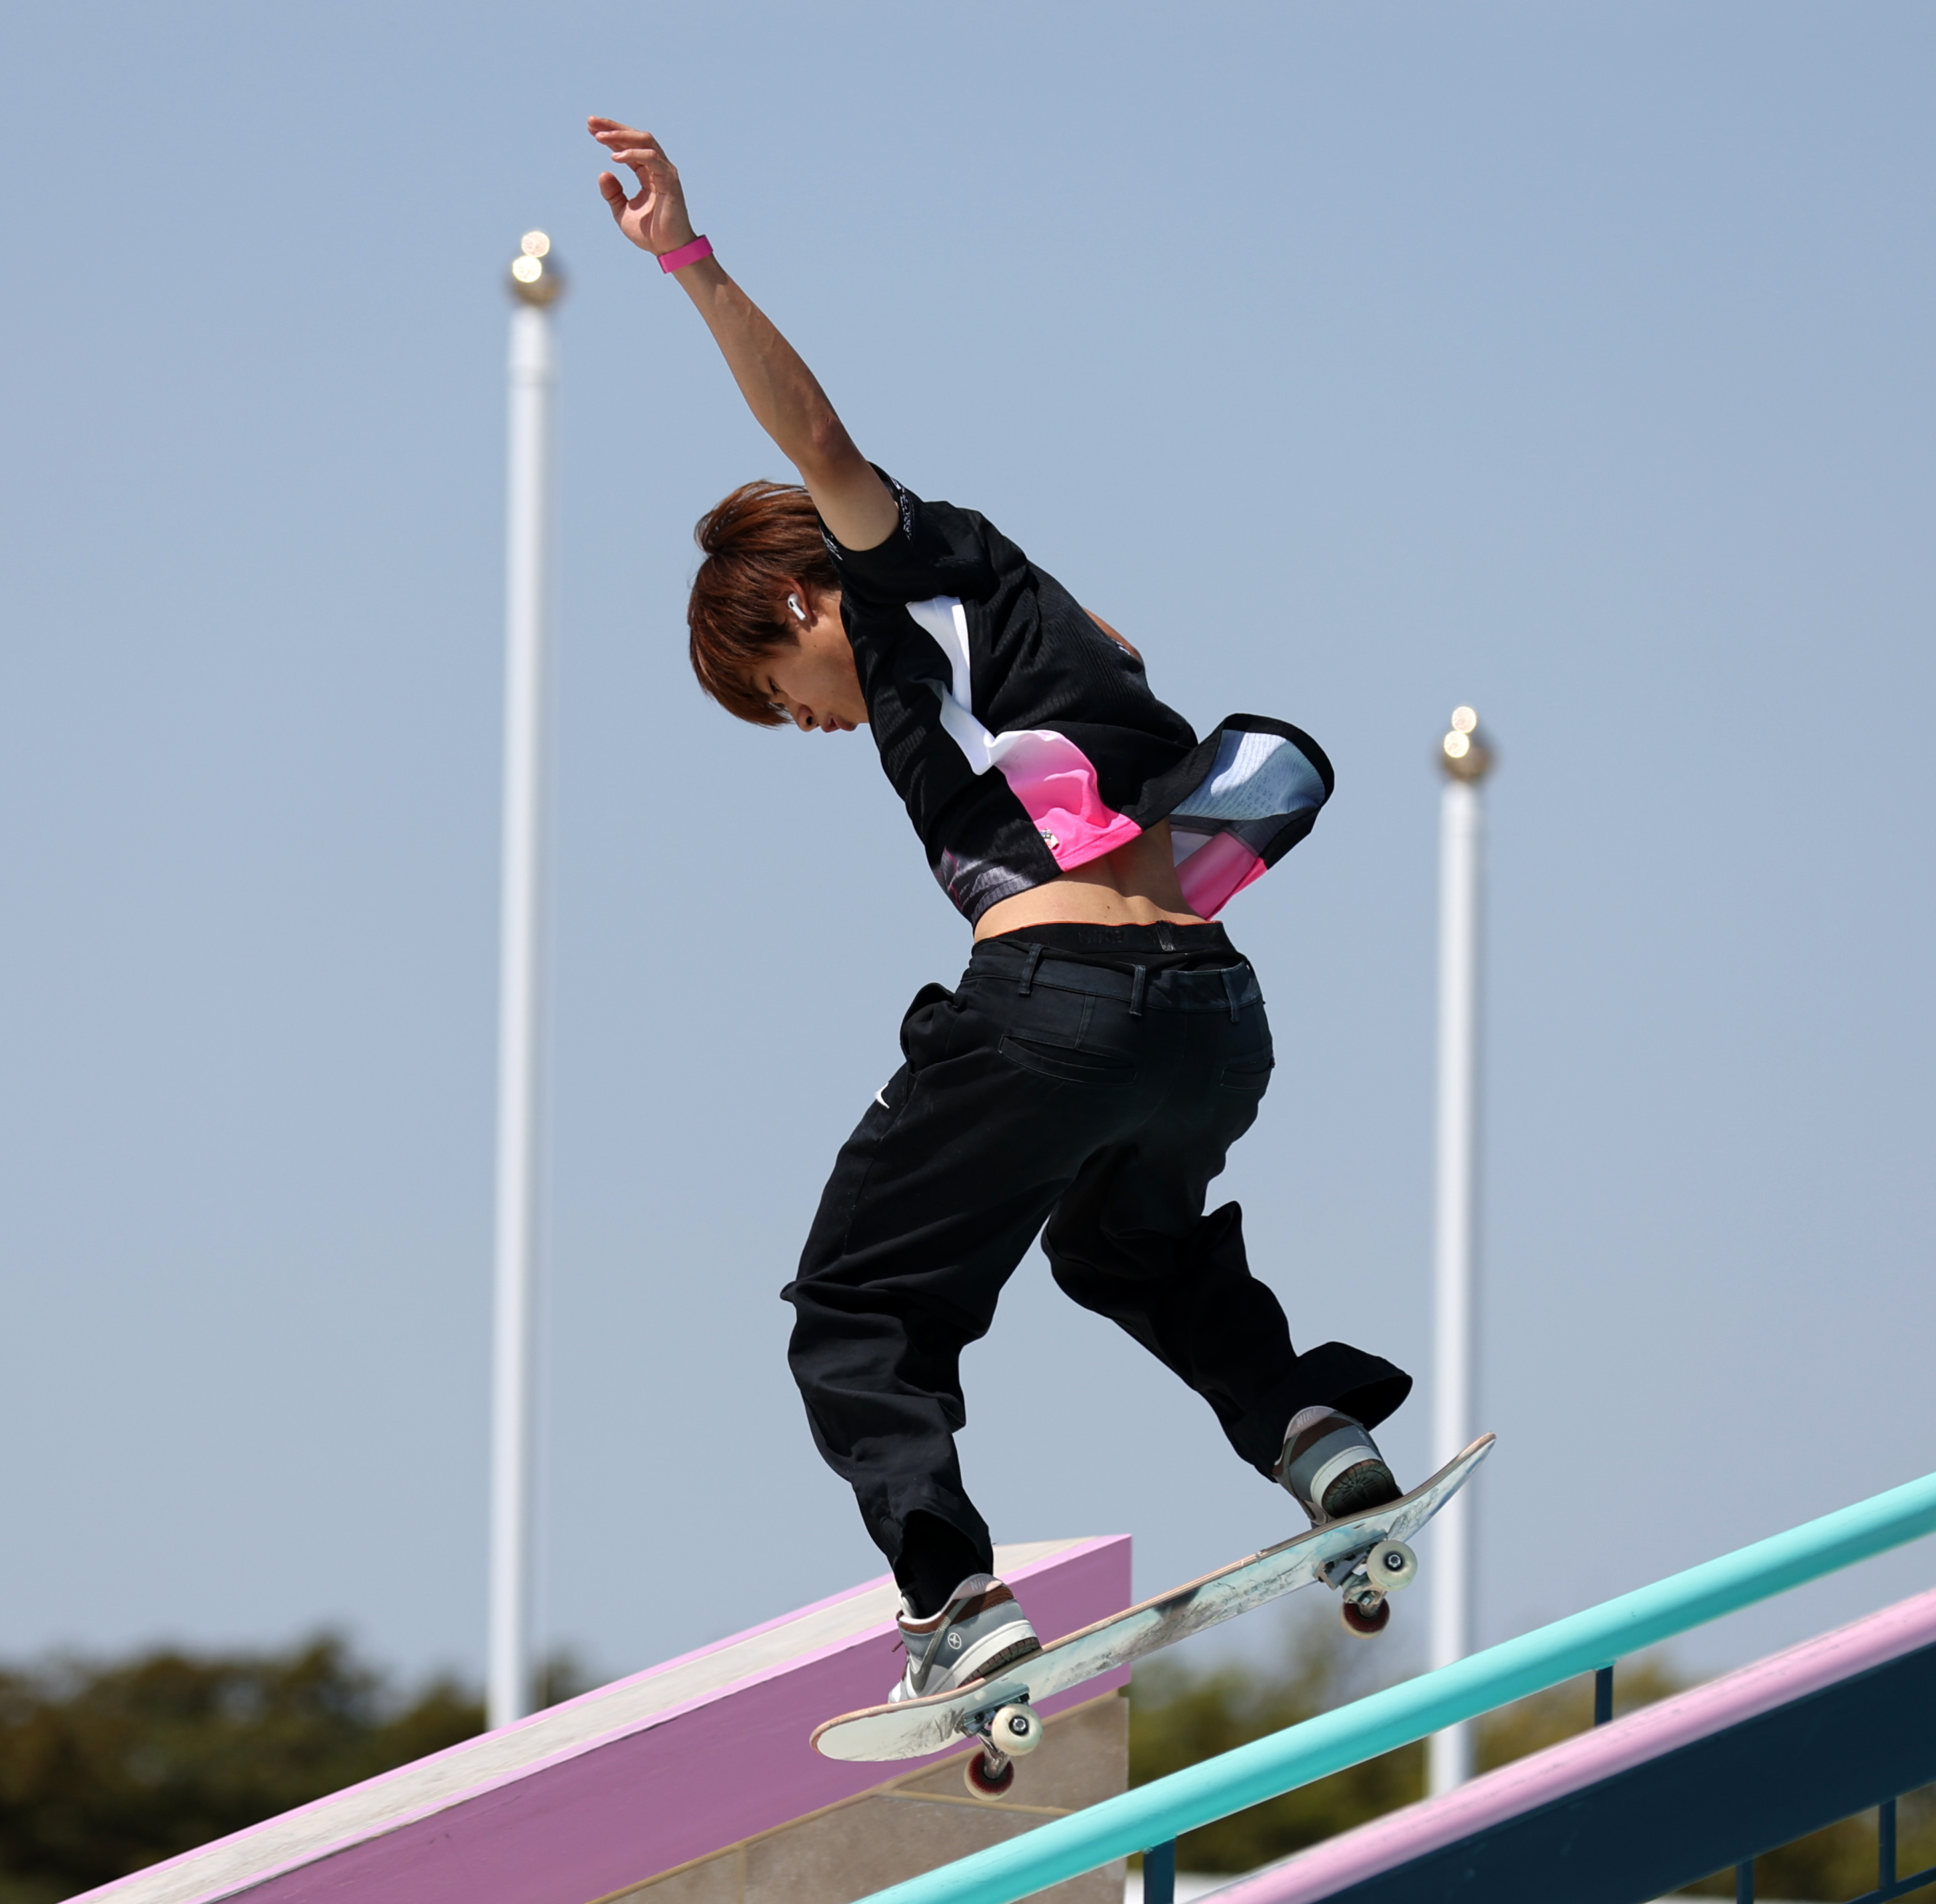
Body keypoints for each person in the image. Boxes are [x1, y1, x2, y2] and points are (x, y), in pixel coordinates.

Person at [591, 117, 1414, 1702]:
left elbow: (817, 434)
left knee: (856, 1304)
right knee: (1124, 1249)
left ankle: (952, 1595)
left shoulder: (888, 572)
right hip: (1211, 1012)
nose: (811, 728)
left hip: (1056, 1013)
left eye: (781, 691)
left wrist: (688, 262)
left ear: (806, 600)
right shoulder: (1018, 605)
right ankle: (1311, 1432)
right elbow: (1112, 648)